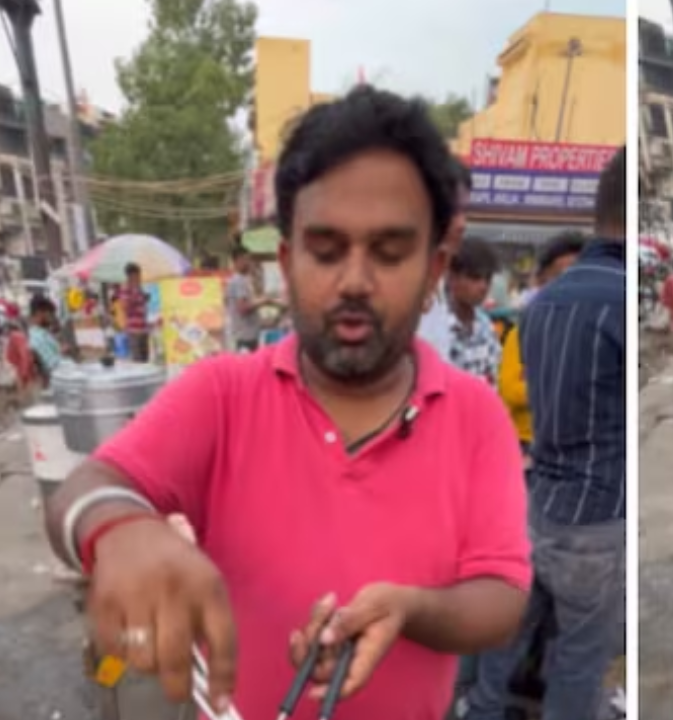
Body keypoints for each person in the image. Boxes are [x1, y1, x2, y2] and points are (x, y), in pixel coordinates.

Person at [43, 86, 531, 720]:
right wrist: (120, 528)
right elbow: (82, 489)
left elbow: (503, 596)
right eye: (326, 251)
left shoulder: (475, 415)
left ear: (435, 265)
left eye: (389, 253)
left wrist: (413, 609)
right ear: (287, 259)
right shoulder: (222, 395)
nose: (354, 280)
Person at [467, 148, 626, 720]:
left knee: (502, 649)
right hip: (598, 518)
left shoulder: (540, 305)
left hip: (537, 506)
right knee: (578, 665)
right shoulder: (619, 298)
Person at [498, 232, 585, 453]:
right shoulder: (520, 334)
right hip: (526, 444)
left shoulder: (591, 336)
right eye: (559, 277)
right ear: (540, 280)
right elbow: (510, 391)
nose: (569, 286)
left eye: (577, 276)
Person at [418, 158, 471, 359]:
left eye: (464, 211)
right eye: (452, 211)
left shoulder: (438, 285)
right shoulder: (395, 288)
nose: (462, 224)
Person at [446, 238, 502, 386]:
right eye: (475, 277)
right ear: (452, 277)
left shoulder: (486, 326)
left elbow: (494, 378)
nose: (483, 286)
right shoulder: (436, 327)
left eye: (487, 279)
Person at [225, 245, 279, 353]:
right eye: (246, 259)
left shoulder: (243, 281)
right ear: (238, 261)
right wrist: (265, 301)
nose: (249, 263)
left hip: (248, 335)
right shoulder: (238, 281)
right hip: (244, 338)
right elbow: (243, 308)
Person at [116, 263, 151, 362]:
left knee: (145, 359)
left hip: (143, 328)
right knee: (137, 360)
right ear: (131, 276)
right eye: (137, 275)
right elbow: (124, 306)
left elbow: (140, 305)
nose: (139, 277)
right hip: (133, 330)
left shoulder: (139, 288)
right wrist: (135, 296)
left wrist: (144, 298)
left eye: (139, 275)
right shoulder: (125, 288)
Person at [27, 295, 63, 383]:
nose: (52, 317)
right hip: (57, 381)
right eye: (51, 313)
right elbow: (53, 367)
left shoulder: (42, 333)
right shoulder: (36, 338)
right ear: (40, 313)